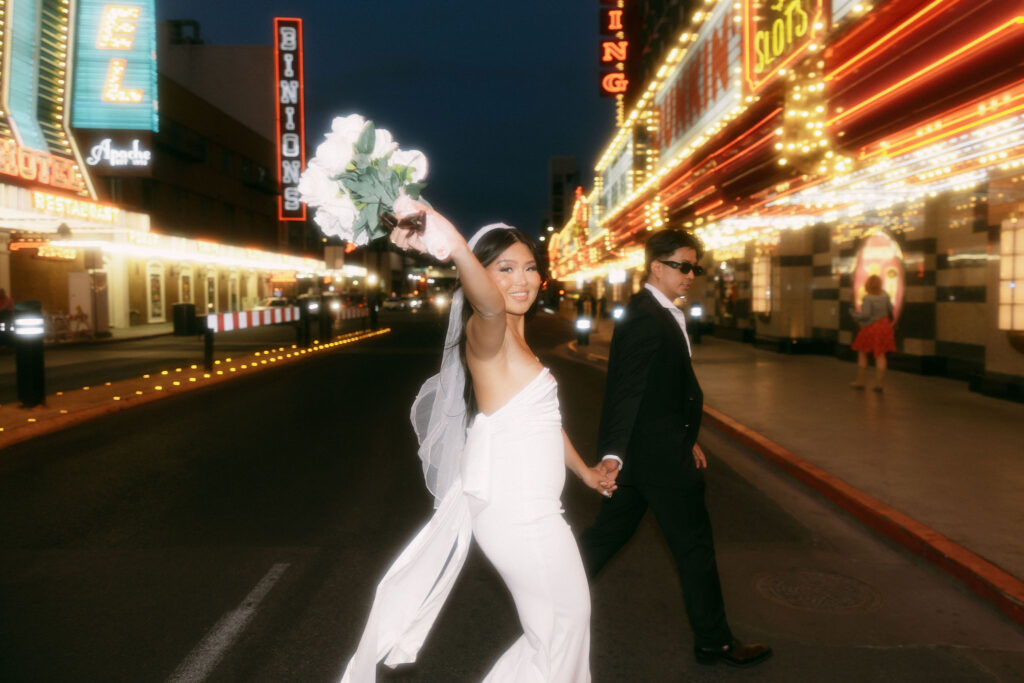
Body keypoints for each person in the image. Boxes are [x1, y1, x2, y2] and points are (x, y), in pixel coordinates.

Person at [338, 201, 616, 683]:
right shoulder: (485, 332)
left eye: (529, 267)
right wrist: (455, 247)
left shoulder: (517, 337)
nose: (521, 280)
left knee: (555, 633)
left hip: (534, 512)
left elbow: (540, 420)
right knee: (564, 629)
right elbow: (486, 301)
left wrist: (586, 471)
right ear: (481, 277)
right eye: (504, 269)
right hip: (520, 518)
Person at [580, 228, 772, 669]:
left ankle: (547, 599)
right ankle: (714, 642)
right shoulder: (647, 317)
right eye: (682, 266)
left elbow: (658, 391)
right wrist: (613, 454)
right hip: (659, 459)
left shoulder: (658, 312)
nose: (690, 275)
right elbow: (625, 391)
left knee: (605, 538)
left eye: (695, 267)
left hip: (652, 450)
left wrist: (690, 435)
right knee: (694, 548)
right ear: (656, 267)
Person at [850, 274, 896, 391]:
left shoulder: (868, 298)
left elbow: (865, 315)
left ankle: (860, 382)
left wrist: (854, 315)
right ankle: (879, 384)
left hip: (871, 328)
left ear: (868, 285)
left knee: (862, 353)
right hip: (885, 326)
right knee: (881, 354)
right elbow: (890, 309)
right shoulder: (885, 295)